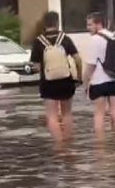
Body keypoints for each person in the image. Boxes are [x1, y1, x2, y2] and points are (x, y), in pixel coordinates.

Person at [29, 11, 81, 147]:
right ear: (57, 23)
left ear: (44, 24)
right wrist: (79, 77)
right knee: (67, 114)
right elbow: (77, 59)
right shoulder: (65, 38)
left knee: (52, 116)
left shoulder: (38, 41)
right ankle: (69, 143)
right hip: (66, 81)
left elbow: (36, 66)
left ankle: (59, 146)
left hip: (48, 83)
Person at [82, 12, 115, 145]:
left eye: (90, 25)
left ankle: (100, 148)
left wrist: (85, 83)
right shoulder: (113, 36)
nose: (88, 28)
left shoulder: (94, 40)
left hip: (99, 82)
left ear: (98, 24)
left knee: (99, 114)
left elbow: (91, 66)